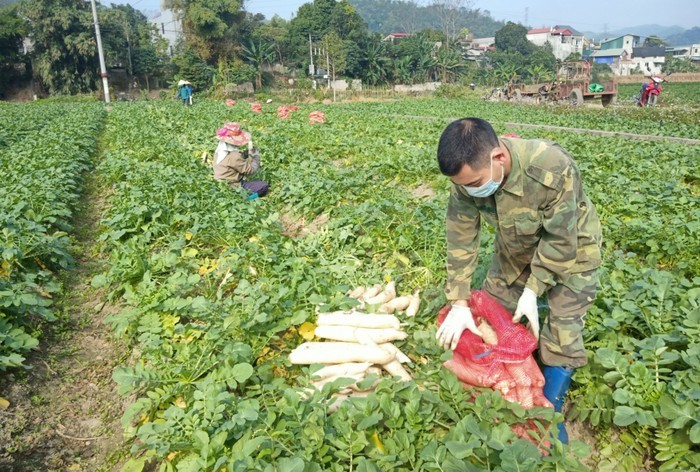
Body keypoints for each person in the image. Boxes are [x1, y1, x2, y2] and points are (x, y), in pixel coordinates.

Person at [434, 117, 602, 443]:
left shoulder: (550, 166)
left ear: (498, 157)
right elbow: (461, 238)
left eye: (476, 182)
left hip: (573, 253)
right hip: (515, 253)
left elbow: (561, 241)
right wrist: (458, 301)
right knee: (493, 320)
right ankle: (510, 389)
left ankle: (546, 411)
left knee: (562, 340)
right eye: (464, 185)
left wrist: (533, 290)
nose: (470, 190)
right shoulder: (466, 180)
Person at [213, 122, 268, 199]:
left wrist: (245, 154)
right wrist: (256, 156)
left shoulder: (219, 151)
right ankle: (246, 199)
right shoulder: (234, 156)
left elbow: (233, 161)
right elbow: (250, 170)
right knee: (263, 186)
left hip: (220, 184)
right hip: (233, 186)